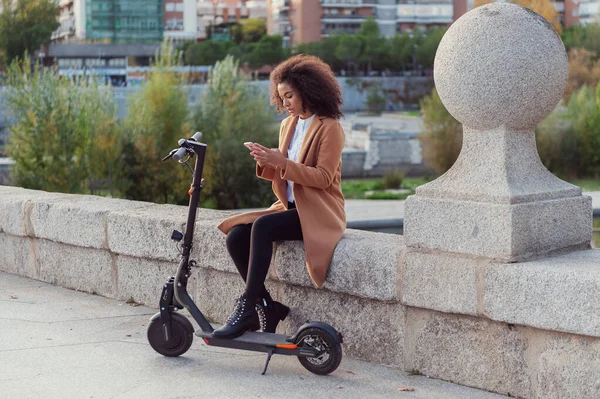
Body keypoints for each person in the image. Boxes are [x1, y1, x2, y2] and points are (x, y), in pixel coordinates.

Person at [213, 54, 347, 339]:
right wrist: (267, 159)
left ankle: (247, 307)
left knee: (262, 227)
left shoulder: (330, 127)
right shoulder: (289, 125)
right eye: (280, 96)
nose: (284, 102)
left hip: (318, 212)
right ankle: (267, 306)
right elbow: (284, 172)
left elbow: (323, 178)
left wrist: (282, 162)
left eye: (289, 95)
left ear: (307, 91)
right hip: (288, 207)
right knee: (236, 236)